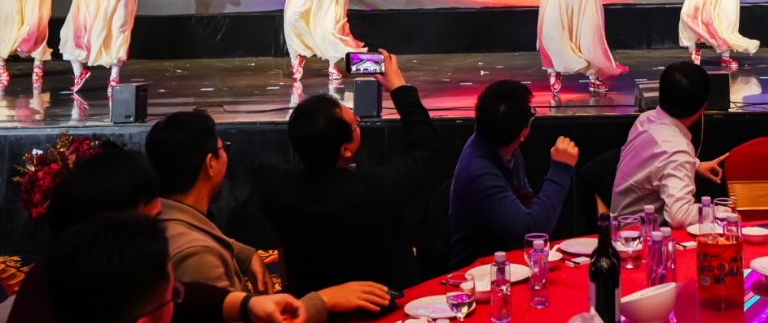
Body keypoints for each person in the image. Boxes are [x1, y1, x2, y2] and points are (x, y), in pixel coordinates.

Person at [0, 145, 305, 323]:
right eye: (154, 220)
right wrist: (319, 302)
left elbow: (184, 294)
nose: (164, 229)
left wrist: (246, 305)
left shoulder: (73, 271)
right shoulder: (117, 290)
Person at [145, 112, 392, 321]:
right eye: (223, 149)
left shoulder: (161, 220)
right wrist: (323, 300)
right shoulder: (197, 257)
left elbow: (196, 235)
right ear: (211, 164)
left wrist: (245, 254)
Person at [260, 52, 441, 295]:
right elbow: (427, 151)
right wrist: (400, 88)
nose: (358, 118)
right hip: (384, 305)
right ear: (345, 149)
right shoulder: (373, 189)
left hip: (313, 305)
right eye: (355, 123)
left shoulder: (276, 188)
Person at [448, 81, 579, 268]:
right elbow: (533, 232)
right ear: (522, 133)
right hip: (477, 274)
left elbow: (526, 202)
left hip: (508, 263)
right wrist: (561, 169)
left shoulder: (504, 148)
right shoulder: (478, 173)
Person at [611, 61, 727, 228]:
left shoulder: (646, 119)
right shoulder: (676, 150)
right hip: (639, 237)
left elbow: (658, 158)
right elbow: (680, 215)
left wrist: (694, 164)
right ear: (703, 108)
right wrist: (723, 213)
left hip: (622, 225)